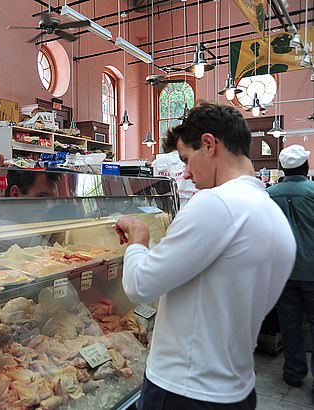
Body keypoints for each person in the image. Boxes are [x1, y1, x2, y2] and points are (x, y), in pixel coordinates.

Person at [113, 102, 296, 409]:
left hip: (184, 391)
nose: (185, 173)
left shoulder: (215, 204)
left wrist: (138, 240)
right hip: (237, 389)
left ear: (209, 144)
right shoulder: (271, 214)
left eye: (186, 159)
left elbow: (139, 285)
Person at [266, 145, 314, 397]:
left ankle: (294, 372)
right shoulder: (312, 191)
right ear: (306, 167)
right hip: (312, 270)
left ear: (283, 169)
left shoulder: (269, 194)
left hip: (283, 271)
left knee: (289, 323)